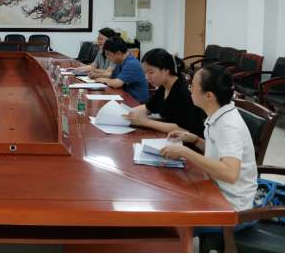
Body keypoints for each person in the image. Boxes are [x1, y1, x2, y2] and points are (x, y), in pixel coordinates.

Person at [159, 65, 257, 238]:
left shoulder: (229, 126)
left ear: (209, 95)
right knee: (168, 195)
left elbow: (230, 174)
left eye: (193, 86)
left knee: (169, 225)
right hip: (215, 189)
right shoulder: (218, 114)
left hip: (232, 208)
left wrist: (186, 153)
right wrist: (194, 139)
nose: (189, 89)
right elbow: (219, 151)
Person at [122, 49, 207, 138]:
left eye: (151, 72)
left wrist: (147, 122)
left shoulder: (185, 93)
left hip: (189, 141)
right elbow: (148, 108)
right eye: (145, 73)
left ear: (166, 70)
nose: (146, 77)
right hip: (170, 136)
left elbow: (182, 128)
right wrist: (124, 113)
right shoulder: (164, 87)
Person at [90, 36, 149, 103]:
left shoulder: (131, 64)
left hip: (136, 102)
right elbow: (112, 74)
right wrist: (98, 75)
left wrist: (103, 80)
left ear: (118, 53)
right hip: (125, 98)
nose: (108, 57)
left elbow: (116, 84)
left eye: (109, 54)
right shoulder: (121, 61)